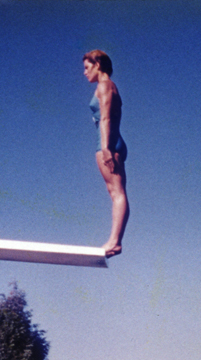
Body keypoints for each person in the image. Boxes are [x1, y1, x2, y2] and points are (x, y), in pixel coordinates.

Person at [83, 49, 129, 257]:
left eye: (87, 67)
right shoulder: (109, 86)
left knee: (117, 193)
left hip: (109, 145)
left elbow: (106, 118)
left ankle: (114, 241)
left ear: (98, 65)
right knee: (115, 193)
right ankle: (114, 240)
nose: (84, 73)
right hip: (112, 144)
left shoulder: (105, 86)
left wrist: (105, 149)